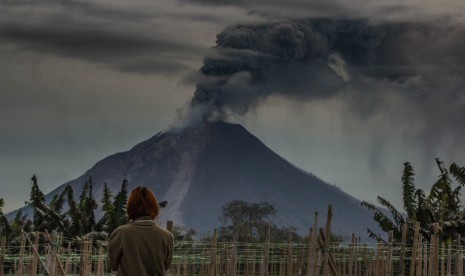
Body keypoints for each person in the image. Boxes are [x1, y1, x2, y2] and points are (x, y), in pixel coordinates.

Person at [108, 186, 174, 276]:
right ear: (154, 207)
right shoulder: (167, 236)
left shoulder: (120, 233)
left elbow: (112, 266)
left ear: (131, 207)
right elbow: (166, 266)